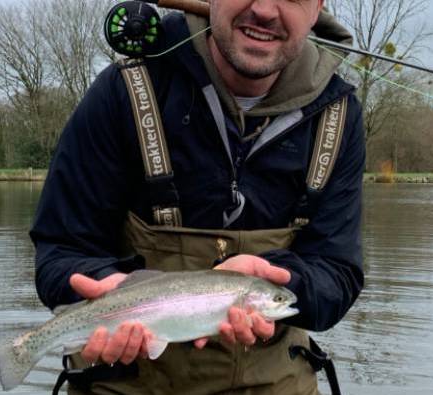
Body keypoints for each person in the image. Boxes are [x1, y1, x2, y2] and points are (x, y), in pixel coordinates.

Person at [29, 0, 364, 393]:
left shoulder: (339, 117)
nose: (265, 9)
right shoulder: (124, 91)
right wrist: (114, 291)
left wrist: (288, 280)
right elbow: (60, 251)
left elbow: (337, 275)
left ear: (319, 5)